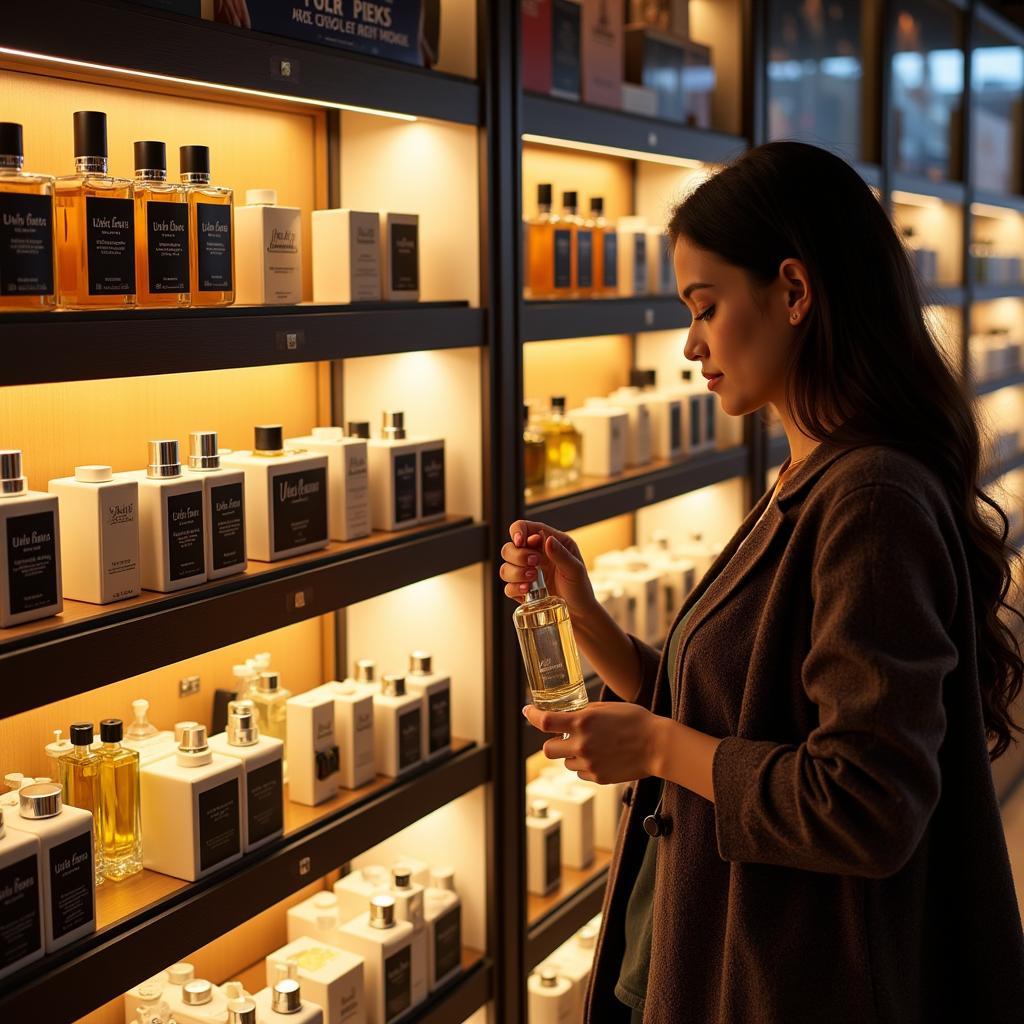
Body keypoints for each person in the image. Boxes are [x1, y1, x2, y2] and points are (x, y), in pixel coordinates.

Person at [501, 141, 1024, 1023]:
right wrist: (585, 619)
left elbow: (866, 804)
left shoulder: (870, 498)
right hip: (729, 941)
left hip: (799, 974)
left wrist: (658, 750)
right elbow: (734, 706)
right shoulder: (809, 474)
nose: (690, 344)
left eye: (705, 308)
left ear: (792, 291)